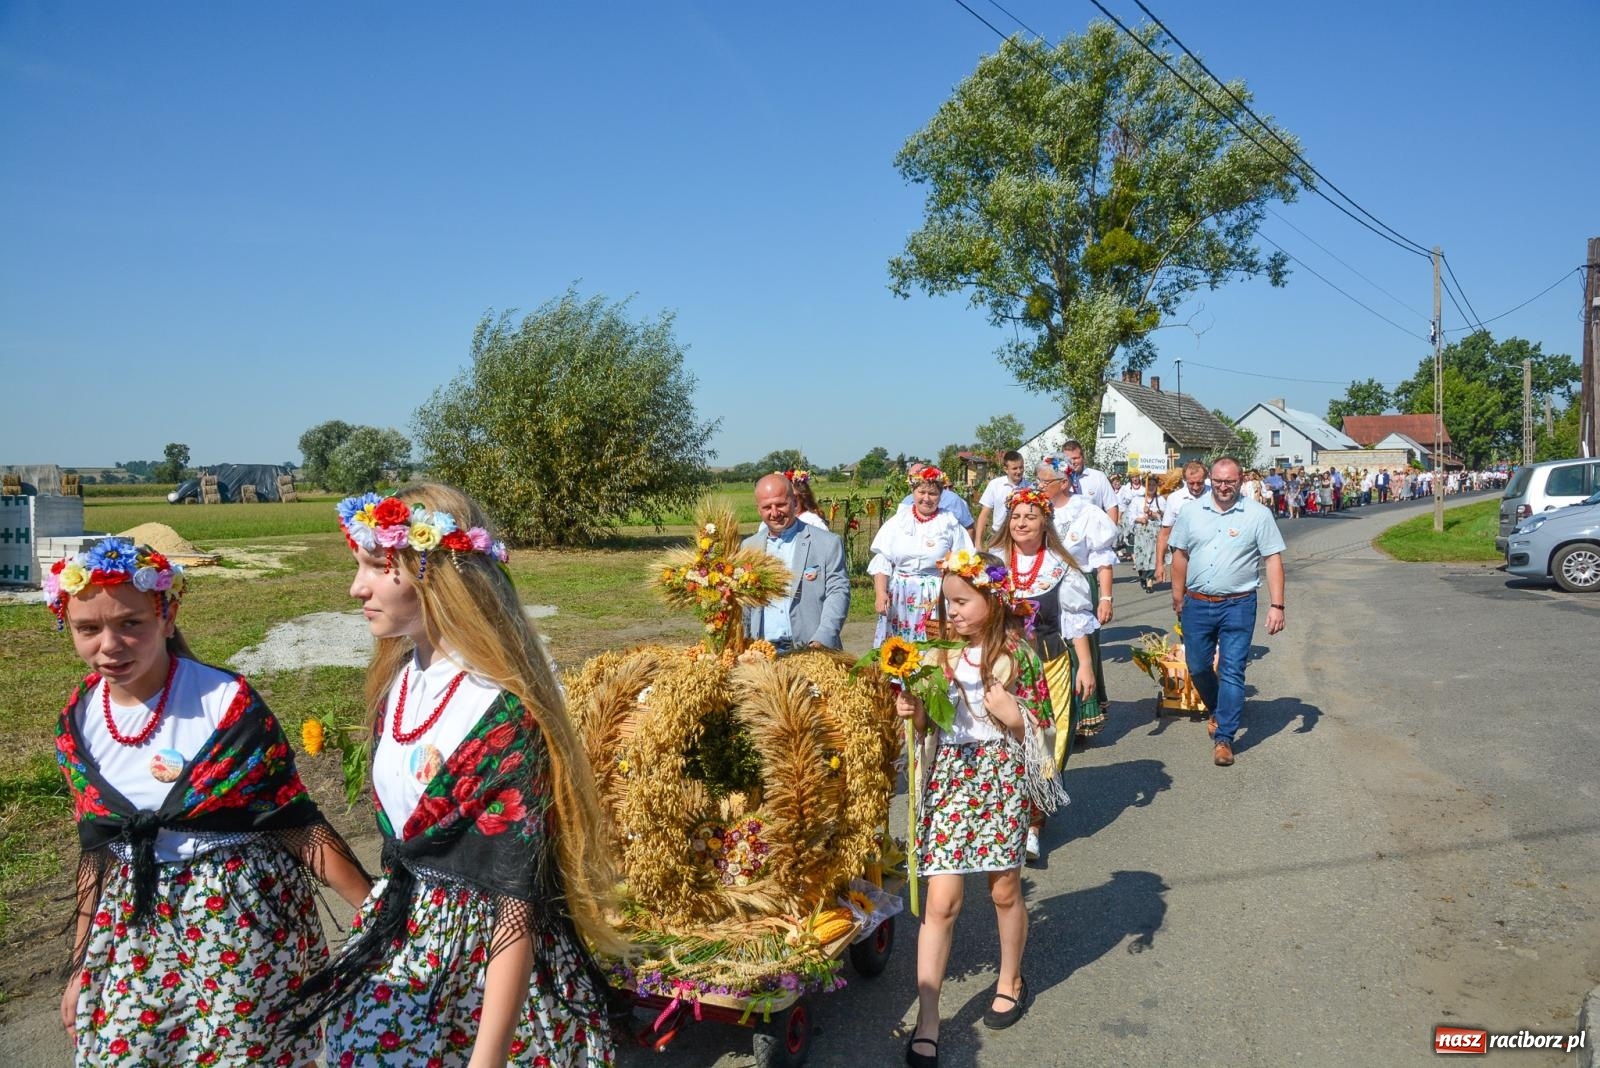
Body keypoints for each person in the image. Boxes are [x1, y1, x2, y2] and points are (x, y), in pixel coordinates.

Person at [302, 485, 624, 1066]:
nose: (357, 588)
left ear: (435, 571)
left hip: (484, 977)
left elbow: (515, 902)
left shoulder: (500, 713)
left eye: (379, 567)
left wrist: (489, 1056)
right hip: (404, 940)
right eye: (360, 566)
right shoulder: (400, 681)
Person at [46, 536, 370, 1065]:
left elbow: (293, 821)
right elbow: (98, 847)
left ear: (167, 618)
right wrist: (81, 965)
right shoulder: (79, 719)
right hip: (133, 920)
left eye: (131, 623)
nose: (110, 644)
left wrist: (380, 922)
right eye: (89, 629)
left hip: (239, 919)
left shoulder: (225, 702)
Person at [896, 550, 1064, 1068]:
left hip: (1000, 778)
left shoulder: (1021, 652)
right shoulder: (935, 654)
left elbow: (1046, 725)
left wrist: (1015, 717)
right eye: (948, 603)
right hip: (950, 778)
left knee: (1004, 889)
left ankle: (1011, 976)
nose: (953, 613)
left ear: (992, 600)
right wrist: (913, 709)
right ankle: (929, 1018)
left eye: (963, 602)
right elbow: (926, 728)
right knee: (940, 900)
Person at [990, 488, 1096, 863]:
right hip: (1000, 668)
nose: (1021, 523)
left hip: (1049, 664)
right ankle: (1003, 813)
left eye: (1030, 517)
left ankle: (1033, 823)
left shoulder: (1059, 566)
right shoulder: (992, 561)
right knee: (1001, 740)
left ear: (1044, 522)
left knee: (1046, 742)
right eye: (1016, 517)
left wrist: (1084, 664)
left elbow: (1075, 620)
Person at [1167, 458, 1287, 767]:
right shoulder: (1191, 512)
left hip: (1238, 604)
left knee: (1233, 669)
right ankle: (1221, 709)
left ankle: (1224, 738)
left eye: (1229, 481)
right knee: (1197, 666)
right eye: (1218, 481)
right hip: (1197, 603)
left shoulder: (1258, 515)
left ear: (1240, 480)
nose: (1223, 486)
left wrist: (1277, 605)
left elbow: (1272, 559)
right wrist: (1177, 594)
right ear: (1211, 479)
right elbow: (1179, 554)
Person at [1036, 454, 1117, 741]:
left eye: (1045, 481)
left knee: (1078, 651)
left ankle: (1081, 717)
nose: (1039, 485)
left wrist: (1105, 597)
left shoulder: (1087, 513)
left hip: (1078, 584)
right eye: (1038, 479)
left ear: (1064, 483)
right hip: (1042, 586)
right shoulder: (1037, 510)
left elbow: (1102, 560)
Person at [743, 472, 852, 650]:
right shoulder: (749, 547)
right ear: (758, 509)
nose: (775, 513)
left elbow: (838, 593)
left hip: (811, 650)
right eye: (767, 507)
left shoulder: (827, 543)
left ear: (794, 501)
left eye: (780, 505)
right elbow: (745, 604)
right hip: (762, 653)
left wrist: (822, 638)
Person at [871, 466, 974, 642]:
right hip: (899, 597)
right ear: (913, 492)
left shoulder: (949, 524)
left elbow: (964, 563)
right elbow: (883, 560)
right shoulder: (897, 523)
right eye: (921, 492)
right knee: (897, 653)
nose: (926, 498)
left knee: (932, 648)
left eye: (933, 494)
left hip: (935, 597)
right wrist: (880, 593)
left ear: (941, 495)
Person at [1155, 462, 1209, 584]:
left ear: (1205, 478)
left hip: (1209, 555)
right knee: (1180, 598)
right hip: (1182, 554)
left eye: (1200, 483)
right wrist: (1159, 564)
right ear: (1184, 480)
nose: (1195, 487)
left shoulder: (1214, 495)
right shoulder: (1175, 498)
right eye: (1191, 483)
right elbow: (1164, 534)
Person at [901, 461, 976, 538]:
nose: (926, 498)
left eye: (932, 494)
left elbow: (969, 528)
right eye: (911, 477)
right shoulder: (906, 503)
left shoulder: (952, 501)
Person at [974, 451, 1028, 550]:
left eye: (1021, 467)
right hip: (999, 536)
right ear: (1006, 469)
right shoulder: (995, 485)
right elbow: (984, 514)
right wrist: (978, 542)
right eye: (1015, 468)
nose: (1019, 471)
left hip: (1021, 536)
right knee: (998, 565)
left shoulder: (1030, 487)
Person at [1060, 440, 1121, 525]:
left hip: (1095, 531)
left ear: (1083, 457)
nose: (1072, 462)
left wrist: (1110, 533)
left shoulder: (1098, 477)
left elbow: (1111, 507)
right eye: (1068, 459)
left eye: (1076, 458)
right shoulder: (1058, 481)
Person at [1131, 477, 1164, 592]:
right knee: (1142, 556)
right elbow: (1131, 516)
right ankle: (1142, 576)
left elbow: (1163, 516)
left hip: (1154, 532)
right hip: (1141, 532)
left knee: (1153, 555)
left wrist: (1151, 513)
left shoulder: (1160, 500)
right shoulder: (1137, 500)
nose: (1151, 487)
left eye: (1153, 485)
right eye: (1148, 484)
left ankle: (1150, 581)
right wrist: (1140, 519)